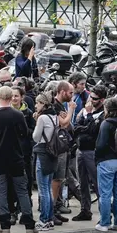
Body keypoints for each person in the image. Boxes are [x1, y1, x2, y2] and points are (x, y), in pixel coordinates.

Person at [0, 87, 38, 233]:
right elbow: (24, 132)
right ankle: (29, 224)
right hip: (16, 156)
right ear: (11, 98)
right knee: (22, 190)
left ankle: (5, 225)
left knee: (2, 191)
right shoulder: (17, 115)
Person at [95, 98, 117, 232]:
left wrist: (97, 156)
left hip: (107, 160)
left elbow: (100, 145)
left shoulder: (106, 123)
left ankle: (104, 223)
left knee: (105, 193)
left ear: (107, 109)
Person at [72, 84, 107, 222]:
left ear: (102, 99)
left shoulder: (103, 113)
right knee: (82, 182)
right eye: (90, 97)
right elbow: (76, 127)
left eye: (95, 98)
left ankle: (104, 213)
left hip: (93, 151)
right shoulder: (85, 110)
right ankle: (85, 210)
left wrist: (88, 119)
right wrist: (85, 125)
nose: (91, 100)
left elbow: (94, 130)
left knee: (97, 183)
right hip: (80, 149)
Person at [51, 81, 78, 222]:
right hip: (58, 147)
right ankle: (52, 209)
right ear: (62, 92)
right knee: (57, 179)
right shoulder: (55, 106)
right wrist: (71, 109)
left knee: (60, 179)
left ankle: (55, 207)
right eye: (70, 92)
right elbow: (64, 123)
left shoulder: (60, 105)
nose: (72, 96)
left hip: (64, 146)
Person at [32, 93, 57, 232]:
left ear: (43, 104)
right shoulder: (55, 116)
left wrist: (37, 122)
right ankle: (50, 218)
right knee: (48, 187)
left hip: (42, 153)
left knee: (43, 190)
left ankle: (44, 219)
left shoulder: (42, 118)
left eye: (38, 103)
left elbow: (36, 137)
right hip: (53, 154)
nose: (36, 105)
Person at [11, 86, 35, 207]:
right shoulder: (6, 111)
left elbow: (32, 131)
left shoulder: (28, 112)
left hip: (24, 150)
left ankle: (26, 201)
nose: (14, 98)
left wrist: (23, 130)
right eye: (12, 96)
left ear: (22, 97)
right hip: (10, 150)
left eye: (16, 96)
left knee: (27, 176)